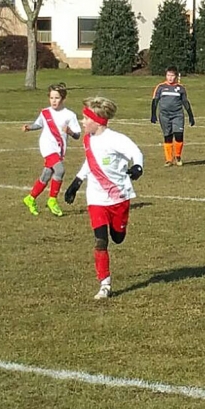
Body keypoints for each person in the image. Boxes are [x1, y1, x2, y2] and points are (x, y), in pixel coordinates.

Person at [64, 96, 144, 300]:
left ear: (97, 121)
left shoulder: (115, 139)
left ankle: (120, 228)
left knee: (118, 238)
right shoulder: (88, 139)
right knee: (101, 240)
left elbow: (136, 152)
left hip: (119, 197)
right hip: (96, 198)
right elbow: (90, 162)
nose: (82, 122)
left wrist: (137, 167)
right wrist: (77, 181)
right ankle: (105, 284)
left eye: (85, 118)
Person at [22, 83, 81, 217]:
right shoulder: (45, 112)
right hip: (47, 146)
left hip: (59, 148)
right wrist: (29, 127)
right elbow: (39, 124)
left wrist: (70, 132)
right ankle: (52, 200)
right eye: (51, 98)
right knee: (60, 170)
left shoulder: (69, 115)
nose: (54, 101)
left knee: (47, 174)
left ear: (63, 98)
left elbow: (77, 135)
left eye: (57, 98)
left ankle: (30, 198)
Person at [151, 66, 195, 166]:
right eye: (168, 75)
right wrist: (153, 114)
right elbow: (155, 101)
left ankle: (178, 156)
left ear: (176, 76)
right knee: (168, 136)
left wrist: (191, 116)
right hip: (164, 115)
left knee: (179, 135)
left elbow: (185, 102)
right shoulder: (160, 87)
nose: (170, 78)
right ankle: (169, 159)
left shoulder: (180, 88)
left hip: (177, 115)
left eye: (172, 75)